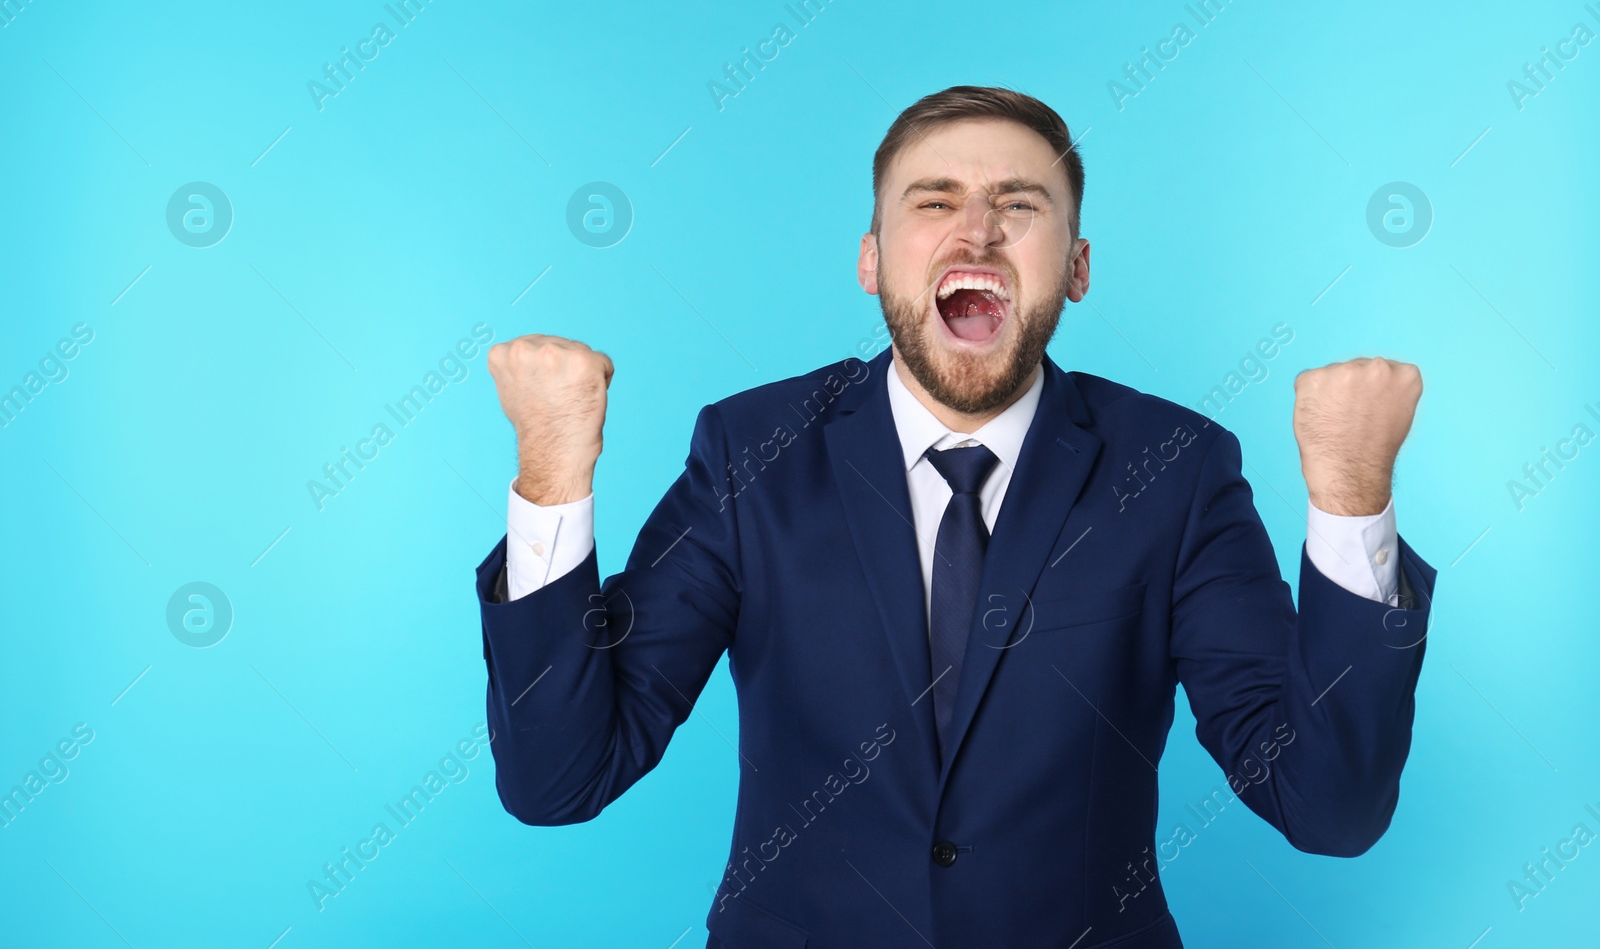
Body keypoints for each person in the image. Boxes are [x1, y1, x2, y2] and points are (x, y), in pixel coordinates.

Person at [472, 85, 1432, 948]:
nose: (976, 234)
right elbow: (561, 779)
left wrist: (1350, 497)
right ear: (871, 258)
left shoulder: (1174, 470)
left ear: (1079, 265)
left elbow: (1327, 807)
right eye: (933, 202)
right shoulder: (748, 456)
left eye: (1020, 205)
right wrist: (553, 473)